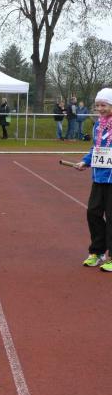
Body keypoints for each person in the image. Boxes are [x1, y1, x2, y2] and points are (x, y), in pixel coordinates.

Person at [75, 88, 112, 271]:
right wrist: (85, 161)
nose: (100, 108)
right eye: (97, 105)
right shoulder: (98, 125)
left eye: (103, 105)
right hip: (99, 178)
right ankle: (97, 252)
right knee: (93, 213)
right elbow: (95, 149)